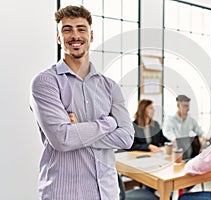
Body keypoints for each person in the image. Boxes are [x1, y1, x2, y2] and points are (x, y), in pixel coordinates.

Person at [30, 5, 134, 200]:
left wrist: (79, 131)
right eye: (67, 30)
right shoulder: (45, 83)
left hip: (107, 192)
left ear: (91, 36)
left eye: (81, 29)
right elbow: (62, 139)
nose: (75, 35)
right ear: (59, 38)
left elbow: (126, 138)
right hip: (65, 192)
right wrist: (109, 123)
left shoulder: (110, 87)